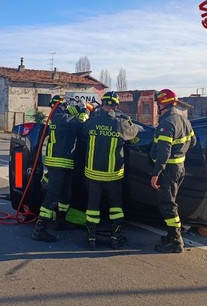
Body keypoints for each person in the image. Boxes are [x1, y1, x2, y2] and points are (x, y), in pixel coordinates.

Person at [83, 91, 139, 250]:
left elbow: (82, 131)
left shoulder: (92, 122)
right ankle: (115, 238)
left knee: (92, 206)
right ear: (116, 105)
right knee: (115, 206)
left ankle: (91, 239)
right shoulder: (120, 124)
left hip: (92, 173)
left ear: (102, 104)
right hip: (113, 175)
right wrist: (126, 119)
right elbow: (134, 132)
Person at [31, 95, 89, 242]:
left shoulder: (59, 117)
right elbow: (81, 122)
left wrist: (75, 108)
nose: (65, 107)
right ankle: (39, 229)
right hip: (58, 163)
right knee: (53, 196)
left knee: (66, 194)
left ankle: (61, 221)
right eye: (64, 105)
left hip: (65, 162)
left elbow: (71, 118)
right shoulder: (61, 118)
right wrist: (83, 109)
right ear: (60, 106)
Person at [150, 89, 196, 253]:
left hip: (168, 170)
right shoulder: (184, 120)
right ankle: (171, 236)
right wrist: (180, 152)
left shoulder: (167, 123)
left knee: (168, 204)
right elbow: (193, 142)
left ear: (162, 103)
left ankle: (175, 241)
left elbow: (163, 153)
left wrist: (156, 173)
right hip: (179, 168)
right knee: (171, 202)